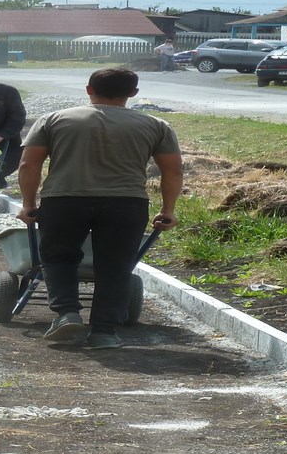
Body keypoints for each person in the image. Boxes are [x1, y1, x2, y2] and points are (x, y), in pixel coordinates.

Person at [16, 68, 183, 350]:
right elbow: (173, 170)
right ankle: (104, 331)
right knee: (116, 265)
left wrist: (29, 204)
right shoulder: (155, 125)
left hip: (64, 200)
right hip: (126, 203)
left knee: (58, 256)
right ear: (133, 93)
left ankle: (67, 313)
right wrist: (168, 209)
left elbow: (28, 165)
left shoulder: (54, 119)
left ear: (89, 89)